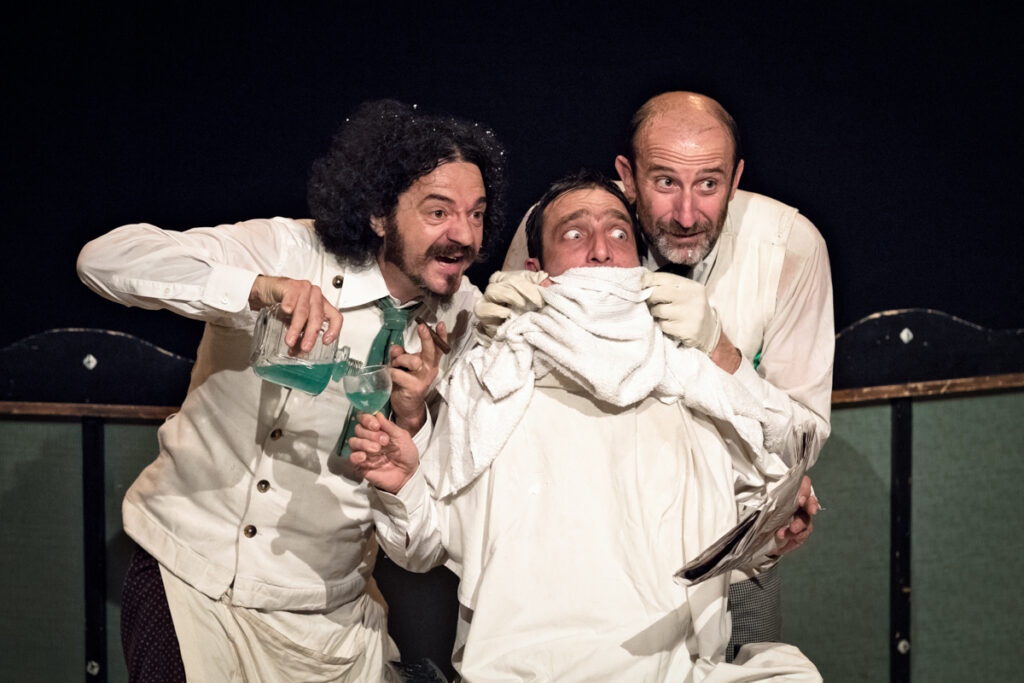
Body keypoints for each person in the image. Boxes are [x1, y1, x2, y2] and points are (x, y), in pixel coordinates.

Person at [76, 98, 506, 682]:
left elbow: (421, 547)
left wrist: (413, 423)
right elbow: (103, 260)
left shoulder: (465, 319)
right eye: (438, 212)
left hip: (330, 616)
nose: (464, 235)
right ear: (380, 214)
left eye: (476, 215)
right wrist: (255, 289)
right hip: (193, 580)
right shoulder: (290, 251)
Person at [350, 171, 822, 681]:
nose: (600, 251)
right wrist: (404, 485)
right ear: (536, 270)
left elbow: (751, 522)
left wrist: (775, 528)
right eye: (574, 234)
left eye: (619, 234)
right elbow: (423, 544)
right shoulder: (490, 382)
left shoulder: (696, 378)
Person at [495, 91, 834, 660]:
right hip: (574, 546)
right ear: (627, 176)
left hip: (727, 552)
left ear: (736, 178)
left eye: (709, 184)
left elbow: (803, 439)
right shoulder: (559, 224)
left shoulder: (790, 248)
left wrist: (722, 351)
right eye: (665, 182)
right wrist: (490, 341)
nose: (686, 214)